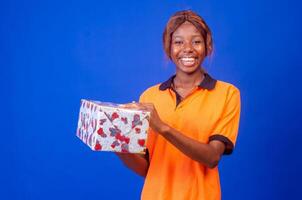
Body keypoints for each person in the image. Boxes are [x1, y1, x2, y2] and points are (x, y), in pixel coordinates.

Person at [117, 10, 241, 200]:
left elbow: (212, 158)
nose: (188, 48)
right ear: (168, 48)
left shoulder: (227, 94)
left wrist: (162, 127)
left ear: (208, 46)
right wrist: (118, 145)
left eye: (196, 41)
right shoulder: (149, 96)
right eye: (178, 42)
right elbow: (146, 169)